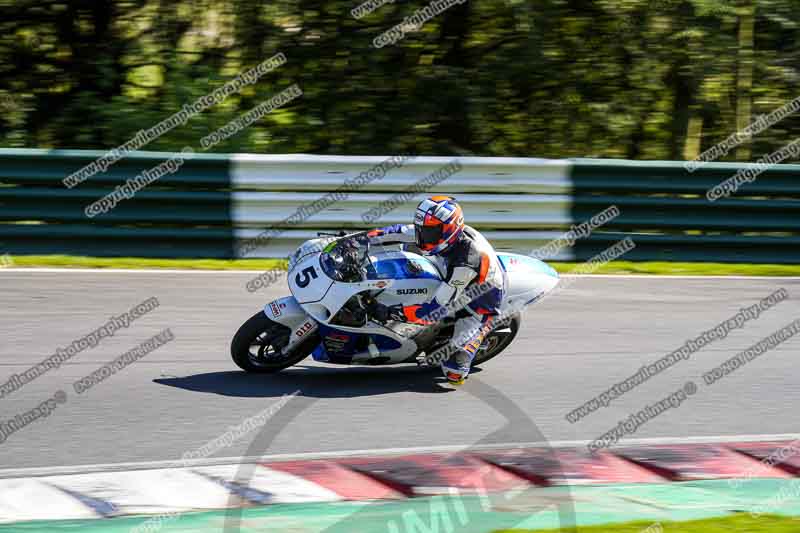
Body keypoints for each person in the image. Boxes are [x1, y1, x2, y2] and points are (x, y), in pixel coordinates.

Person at [364, 196, 507, 385]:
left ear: (449, 230)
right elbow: (396, 231)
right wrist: (358, 239)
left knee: (455, 374)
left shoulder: (465, 263)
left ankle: (479, 334)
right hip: (447, 273)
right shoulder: (437, 235)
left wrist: (392, 312)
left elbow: (435, 309)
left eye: (429, 232)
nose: (422, 237)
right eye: (421, 230)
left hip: (479, 300)